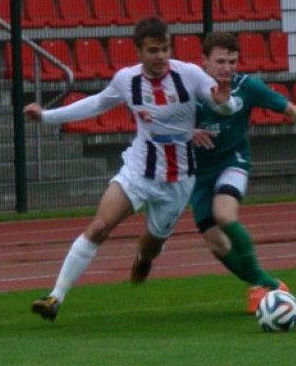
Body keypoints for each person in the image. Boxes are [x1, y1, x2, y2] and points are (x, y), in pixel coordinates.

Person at [25, 17, 239, 321]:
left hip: (177, 181)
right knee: (100, 225)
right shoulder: (126, 80)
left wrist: (224, 104)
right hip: (138, 170)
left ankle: (143, 257)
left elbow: (223, 103)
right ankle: (54, 298)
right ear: (138, 51)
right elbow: (96, 104)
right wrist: (46, 116)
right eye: (153, 50)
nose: (161, 56)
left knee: (151, 246)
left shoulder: (189, 75)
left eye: (165, 48)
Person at [193, 32, 296, 313]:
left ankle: (266, 290)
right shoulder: (190, 88)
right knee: (216, 244)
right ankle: (268, 284)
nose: (227, 67)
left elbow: (292, 109)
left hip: (232, 161)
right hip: (199, 173)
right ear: (204, 61)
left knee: (224, 214)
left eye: (232, 61)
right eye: (220, 61)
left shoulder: (247, 87)